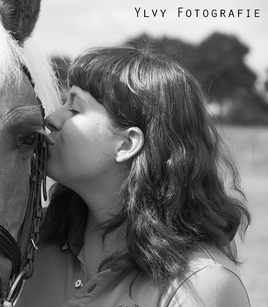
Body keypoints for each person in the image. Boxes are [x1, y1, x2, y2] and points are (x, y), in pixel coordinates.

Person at [16, 46, 251, 307]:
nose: (50, 119)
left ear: (127, 144)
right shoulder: (29, 239)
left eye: (75, 108)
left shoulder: (203, 286)